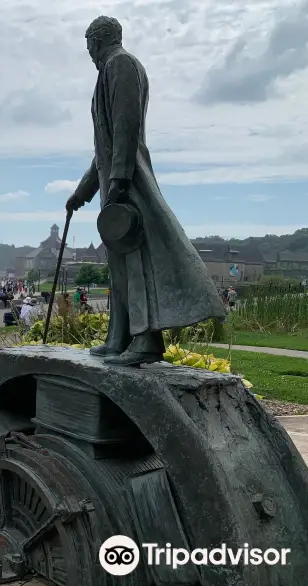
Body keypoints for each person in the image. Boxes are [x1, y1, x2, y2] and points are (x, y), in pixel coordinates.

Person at [64, 16, 225, 365]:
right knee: (119, 267)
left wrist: (120, 180)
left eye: (88, 44)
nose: (88, 52)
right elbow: (103, 150)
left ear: (96, 40)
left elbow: (126, 128)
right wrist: (83, 193)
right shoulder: (110, 70)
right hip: (115, 182)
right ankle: (119, 337)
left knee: (135, 262)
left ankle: (145, 342)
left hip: (127, 185)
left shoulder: (120, 65)